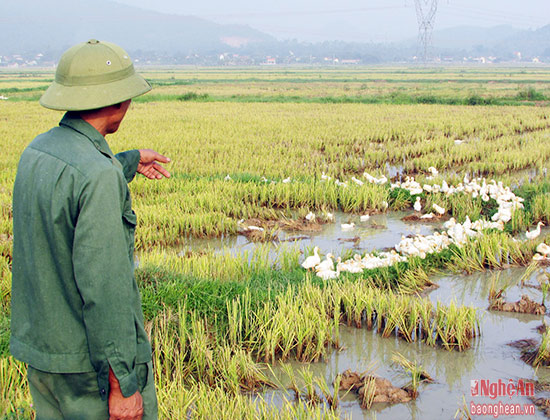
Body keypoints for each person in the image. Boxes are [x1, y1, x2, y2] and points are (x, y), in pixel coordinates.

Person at [10, 39, 169, 420]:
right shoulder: (97, 176)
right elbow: (105, 289)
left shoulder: (37, 152)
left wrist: (126, 162)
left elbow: (71, 185)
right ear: (117, 102)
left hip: (46, 358)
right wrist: (122, 386)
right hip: (90, 374)